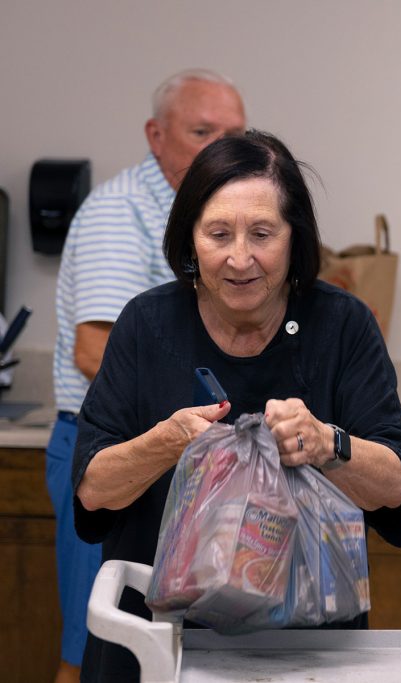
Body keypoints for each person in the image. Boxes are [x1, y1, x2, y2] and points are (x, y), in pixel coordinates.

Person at [70, 130, 401, 682]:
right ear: (190, 238)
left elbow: (394, 484)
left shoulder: (343, 325)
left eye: (261, 233)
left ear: (294, 238)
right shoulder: (146, 324)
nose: (239, 258)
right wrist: (168, 442)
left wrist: (328, 444)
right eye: (217, 234)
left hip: (306, 653)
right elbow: (93, 488)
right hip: (159, 646)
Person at [47, 68, 245, 683]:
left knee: (169, 657)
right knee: (98, 647)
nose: (219, 149)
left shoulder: (214, 216)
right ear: (156, 136)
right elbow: (94, 350)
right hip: (112, 456)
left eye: (233, 134)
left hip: (179, 456)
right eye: (201, 131)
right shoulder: (121, 211)